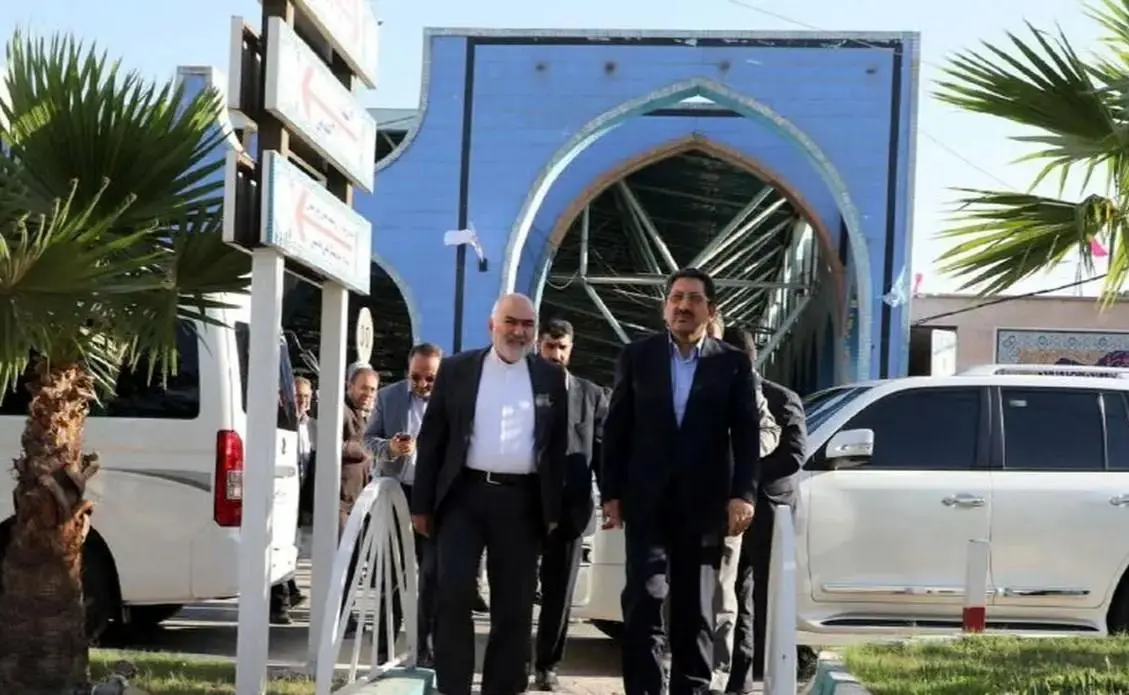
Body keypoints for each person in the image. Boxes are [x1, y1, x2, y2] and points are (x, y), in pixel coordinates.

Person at [601, 267, 760, 695]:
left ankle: (691, 688)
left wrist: (742, 494)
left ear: (711, 310)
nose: (683, 306)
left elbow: (746, 435)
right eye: (676, 298)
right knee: (645, 598)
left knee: (695, 607)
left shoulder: (731, 363)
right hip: (646, 502)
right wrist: (611, 492)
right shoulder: (638, 357)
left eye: (693, 299)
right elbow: (617, 428)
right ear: (664, 307)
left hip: (703, 507)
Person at [412, 293, 569, 695]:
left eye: (528, 324)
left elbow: (556, 448)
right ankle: (453, 687)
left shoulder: (551, 378)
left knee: (514, 608)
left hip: (522, 503)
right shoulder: (457, 369)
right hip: (462, 497)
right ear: (491, 325)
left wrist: (553, 510)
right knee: (452, 595)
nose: (519, 332)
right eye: (510, 322)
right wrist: (422, 504)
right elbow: (433, 438)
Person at [721, 326, 805, 693]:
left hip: (771, 512)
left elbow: (794, 455)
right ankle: (738, 678)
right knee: (735, 595)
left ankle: (775, 671)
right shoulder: (720, 397)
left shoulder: (781, 398)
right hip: (732, 512)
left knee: (771, 596)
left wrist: (745, 478)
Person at [532, 318, 609, 692]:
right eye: (550, 346)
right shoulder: (520, 388)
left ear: (571, 349)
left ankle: (547, 665)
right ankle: (512, 658)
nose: (556, 355)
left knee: (559, 592)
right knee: (514, 587)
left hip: (571, 509)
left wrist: (612, 498)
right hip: (523, 504)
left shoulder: (591, 395)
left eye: (562, 347)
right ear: (538, 345)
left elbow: (602, 453)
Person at [706, 315, 780, 688]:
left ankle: (716, 678)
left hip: (723, 505)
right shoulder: (662, 371)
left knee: (722, 595)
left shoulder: (740, 379)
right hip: (673, 503)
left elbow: (768, 430)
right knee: (672, 594)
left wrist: (738, 456)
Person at [364, 343, 443, 665]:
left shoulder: (451, 398)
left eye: (430, 378)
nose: (422, 384)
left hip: (433, 496)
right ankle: (384, 648)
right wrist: (392, 448)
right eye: (416, 377)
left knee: (432, 575)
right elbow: (368, 440)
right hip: (396, 491)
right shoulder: (389, 396)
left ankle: (426, 649)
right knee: (392, 574)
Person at [339, 365, 379, 636]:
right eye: (363, 387)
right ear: (349, 386)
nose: (368, 393)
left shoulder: (365, 415)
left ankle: (346, 614)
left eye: (372, 389)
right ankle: (341, 617)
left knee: (354, 562)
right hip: (340, 501)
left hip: (358, 502)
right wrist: (368, 448)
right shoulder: (341, 412)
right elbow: (333, 444)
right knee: (343, 561)